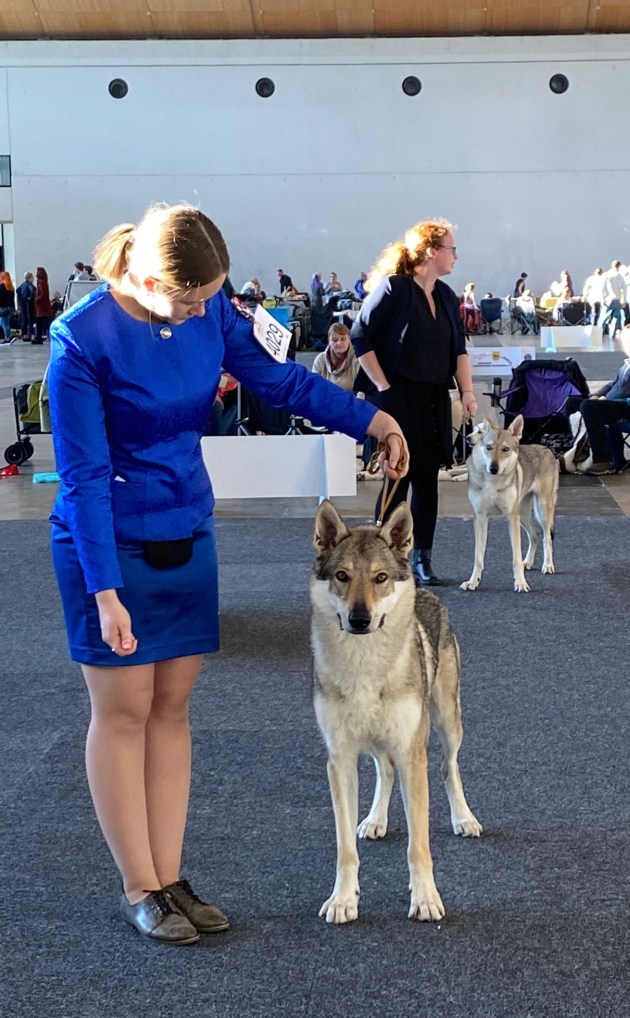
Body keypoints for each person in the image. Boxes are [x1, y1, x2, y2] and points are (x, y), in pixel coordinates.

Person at [46, 202, 408, 947]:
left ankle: (171, 876)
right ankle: (139, 886)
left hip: (187, 526)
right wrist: (105, 591)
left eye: (211, 295)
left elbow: (283, 384)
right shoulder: (80, 340)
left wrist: (370, 418)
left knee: (172, 709)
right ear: (145, 277)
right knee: (123, 713)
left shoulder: (210, 315)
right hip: (105, 545)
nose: (205, 309)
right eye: (189, 297)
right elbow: (81, 478)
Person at [351, 218, 478, 586]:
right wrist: (384, 387)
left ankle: (421, 558)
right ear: (430, 251)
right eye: (451, 248)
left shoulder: (446, 296)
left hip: (434, 397)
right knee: (397, 475)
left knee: (427, 478)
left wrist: (467, 392)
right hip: (398, 395)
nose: (456, 255)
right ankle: (382, 557)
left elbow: (459, 350)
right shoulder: (395, 289)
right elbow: (361, 335)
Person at [576, 322, 630, 476]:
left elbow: (622, 389)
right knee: (574, 402)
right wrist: (596, 395)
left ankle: (603, 460)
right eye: (626, 341)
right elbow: (614, 384)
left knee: (589, 407)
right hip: (625, 404)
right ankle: (574, 452)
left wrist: (603, 400)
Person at [311, 322, 359, 392]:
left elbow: (362, 390)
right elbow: (314, 386)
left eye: (343, 339)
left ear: (349, 339)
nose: (339, 343)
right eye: (335, 340)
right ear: (329, 342)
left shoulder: (357, 358)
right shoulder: (320, 359)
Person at [32, 266, 51, 344]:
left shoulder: (42, 283)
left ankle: (39, 338)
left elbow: (43, 294)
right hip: (43, 306)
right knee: (43, 323)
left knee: (40, 323)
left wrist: (36, 299)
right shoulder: (43, 282)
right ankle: (39, 337)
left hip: (41, 306)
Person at [16, 271, 36, 341]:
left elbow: (18, 290)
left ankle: (24, 334)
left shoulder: (22, 285)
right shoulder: (30, 285)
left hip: (23, 304)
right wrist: (30, 298)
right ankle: (31, 334)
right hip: (29, 304)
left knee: (24, 319)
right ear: (30, 278)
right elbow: (33, 292)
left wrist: (20, 302)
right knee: (30, 319)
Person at [0, 270, 15, 343]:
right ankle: (8, 335)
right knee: (3, 322)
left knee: (4, 323)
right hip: (10, 307)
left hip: (4, 307)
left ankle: (7, 338)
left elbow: (1, 297)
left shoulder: (2, 286)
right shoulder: (11, 286)